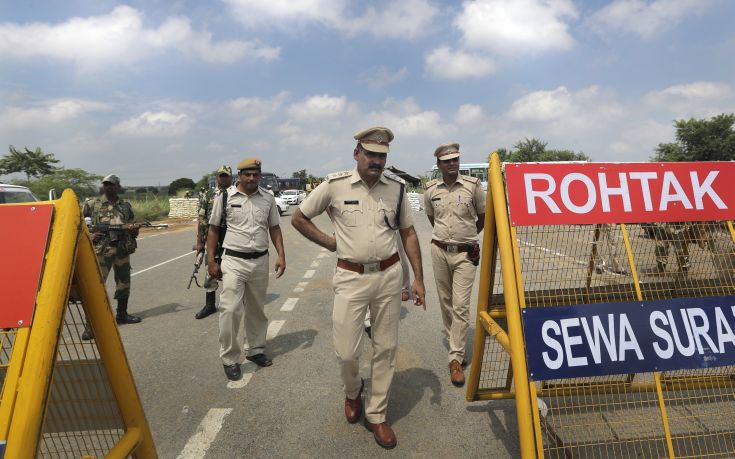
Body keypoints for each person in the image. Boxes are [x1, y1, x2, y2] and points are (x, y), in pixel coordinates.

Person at [291, 126, 426, 450]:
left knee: (386, 348)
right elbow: (299, 217)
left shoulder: (396, 188)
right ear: (357, 154)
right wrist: (330, 243)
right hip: (350, 278)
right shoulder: (335, 185)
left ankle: (377, 414)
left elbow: (408, 232)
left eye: (382, 156)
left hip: (388, 276)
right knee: (347, 352)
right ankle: (353, 391)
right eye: (371, 154)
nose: (377, 161)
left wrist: (418, 278)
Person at [207, 158, 286, 381]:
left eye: (256, 174)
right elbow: (213, 229)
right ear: (239, 175)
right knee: (230, 310)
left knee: (256, 309)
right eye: (247, 174)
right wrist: (211, 261)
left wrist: (281, 254)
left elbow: (275, 227)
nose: (252, 178)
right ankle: (230, 358)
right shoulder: (224, 197)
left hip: (260, 261)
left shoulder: (268, 198)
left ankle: (255, 350)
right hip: (233, 260)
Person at [423, 143, 485, 387]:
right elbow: (432, 218)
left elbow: (482, 217)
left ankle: (455, 358)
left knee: (460, 305)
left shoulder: (473, 186)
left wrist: (465, 238)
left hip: (465, 255)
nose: (452, 164)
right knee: (446, 303)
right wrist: (447, 240)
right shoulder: (430, 190)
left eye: (455, 159)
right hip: (439, 251)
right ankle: (456, 345)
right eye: (447, 161)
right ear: (438, 165)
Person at [81, 174, 142, 340]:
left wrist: (133, 229)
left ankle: (122, 315)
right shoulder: (92, 204)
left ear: (118, 187)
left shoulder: (125, 206)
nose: (108, 187)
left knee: (123, 284)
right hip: (102, 251)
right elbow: (77, 223)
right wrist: (88, 235)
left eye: (112, 185)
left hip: (121, 250)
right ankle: (90, 326)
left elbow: (133, 228)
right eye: (106, 184)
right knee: (96, 288)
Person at [194, 165, 233, 319]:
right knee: (210, 269)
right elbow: (202, 219)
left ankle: (236, 302)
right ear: (217, 178)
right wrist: (200, 242)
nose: (223, 178)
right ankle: (210, 305)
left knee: (233, 269)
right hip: (212, 236)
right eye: (221, 176)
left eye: (226, 176)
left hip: (230, 237)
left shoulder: (236, 194)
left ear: (231, 178)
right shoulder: (208, 194)